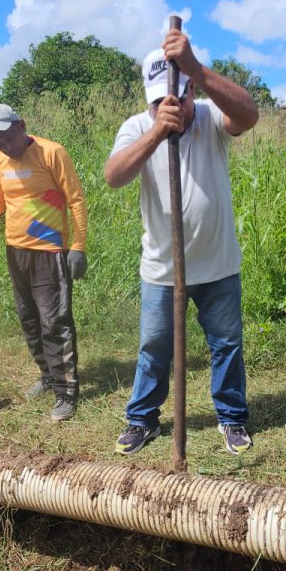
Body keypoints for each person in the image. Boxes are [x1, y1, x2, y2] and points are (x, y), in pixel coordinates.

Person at [104, 29, 259, 455]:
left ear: (191, 89)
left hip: (218, 264)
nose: (169, 108)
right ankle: (142, 419)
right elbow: (114, 176)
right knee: (154, 347)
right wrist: (157, 132)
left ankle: (231, 417)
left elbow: (248, 116)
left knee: (226, 345)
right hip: (162, 268)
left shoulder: (210, 116)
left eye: (177, 98)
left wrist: (196, 67)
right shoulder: (138, 126)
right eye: (157, 102)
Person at [0, 104, 89, 422]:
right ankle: (47, 376)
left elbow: (75, 199)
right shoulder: (0, 160)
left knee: (54, 321)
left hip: (49, 251)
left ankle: (66, 391)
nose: (5, 146)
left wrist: (78, 246)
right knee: (29, 319)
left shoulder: (52, 152)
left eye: (7, 138)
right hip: (15, 250)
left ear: (21, 125)